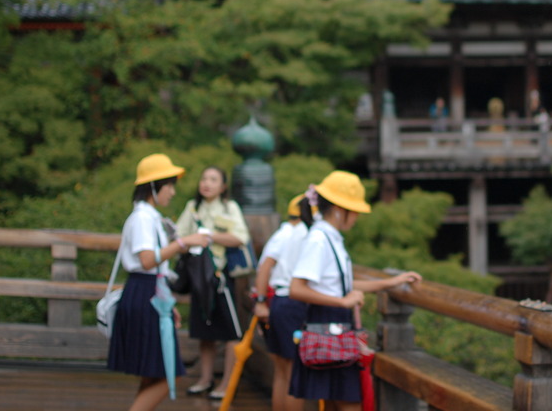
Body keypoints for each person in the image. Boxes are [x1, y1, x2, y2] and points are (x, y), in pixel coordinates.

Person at [289, 171, 422, 410]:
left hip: (331, 326)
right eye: (356, 211)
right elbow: (296, 289)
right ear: (340, 209)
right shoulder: (319, 240)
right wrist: (342, 303)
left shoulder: (330, 238)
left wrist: (389, 283)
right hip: (331, 325)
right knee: (350, 402)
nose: (357, 217)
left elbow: (340, 285)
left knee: (336, 401)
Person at [108, 153, 213, 411]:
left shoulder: (148, 216)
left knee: (153, 373)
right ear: (154, 186)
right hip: (145, 294)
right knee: (168, 374)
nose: (173, 192)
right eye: (169, 185)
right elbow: (147, 260)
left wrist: (169, 303)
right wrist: (184, 242)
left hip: (150, 294)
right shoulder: (143, 218)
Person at [175, 165, 251, 400]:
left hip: (220, 276)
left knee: (231, 332)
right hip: (199, 277)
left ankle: (227, 383)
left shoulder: (229, 208)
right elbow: (179, 236)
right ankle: (205, 379)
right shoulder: (193, 207)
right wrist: (194, 240)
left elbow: (240, 237)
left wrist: (209, 237)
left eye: (213, 179)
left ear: (223, 186)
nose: (206, 183)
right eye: (204, 178)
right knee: (204, 331)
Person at [254, 194, 312, 411]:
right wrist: (260, 301)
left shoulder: (285, 232)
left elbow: (265, 266)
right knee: (295, 375)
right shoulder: (301, 233)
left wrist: (262, 301)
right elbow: (265, 266)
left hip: (279, 302)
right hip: (293, 304)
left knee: (281, 372)